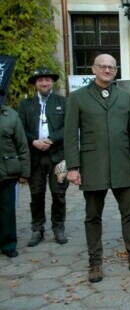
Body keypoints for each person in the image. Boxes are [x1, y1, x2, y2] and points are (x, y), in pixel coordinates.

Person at [64, 54, 130, 283]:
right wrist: (73, 166)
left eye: (111, 67)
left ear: (116, 70)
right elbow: (70, 135)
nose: (107, 70)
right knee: (92, 216)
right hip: (93, 165)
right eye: (102, 66)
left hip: (123, 164)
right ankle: (95, 263)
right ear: (93, 69)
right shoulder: (77, 98)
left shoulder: (124, 97)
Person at [18, 67, 69, 247]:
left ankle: (58, 228)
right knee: (36, 195)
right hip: (35, 157)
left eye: (47, 79)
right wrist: (33, 142)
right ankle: (37, 229)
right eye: (40, 80)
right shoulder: (26, 105)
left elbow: (69, 127)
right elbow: (20, 129)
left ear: (52, 82)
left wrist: (51, 139)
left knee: (59, 194)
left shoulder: (63, 102)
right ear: (35, 84)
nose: (44, 83)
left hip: (59, 156)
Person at [0, 88, 30, 258]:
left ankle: (8, 244)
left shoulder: (11, 116)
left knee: (7, 211)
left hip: (7, 170)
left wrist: (24, 172)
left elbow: (22, 145)